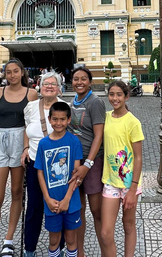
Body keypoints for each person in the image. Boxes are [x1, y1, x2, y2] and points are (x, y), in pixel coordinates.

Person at [0, 58, 38, 257]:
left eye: (16, 71)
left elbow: (33, 122)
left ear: (22, 72)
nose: (12, 75)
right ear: (4, 74)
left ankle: (8, 240)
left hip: (20, 142)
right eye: (9, 72)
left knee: (17, 193)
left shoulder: (31, 93)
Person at [98, 80, 143, 257]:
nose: (115, 98)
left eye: (119, 95)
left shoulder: (133, 122)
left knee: (128, 224)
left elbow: (138, 157)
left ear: (126, 97)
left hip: (129, 183)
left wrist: (133, 189)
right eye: (111, 94)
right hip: (110, 181)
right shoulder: (106, 118)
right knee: (106, 232)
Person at [21, 72, 64, 257]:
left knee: (57, 207)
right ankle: (29, 248)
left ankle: (58, 248)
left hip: (57, 167)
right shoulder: (30, 107)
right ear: (39, 85)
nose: (49, 86)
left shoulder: (65, 107)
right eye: (45, 83)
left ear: (59, 88)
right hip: (34, 164)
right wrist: (25, 148)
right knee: (34, 208)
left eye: (53, 84)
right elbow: (27, 129)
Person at [35, 101, 83, 257]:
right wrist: (47, 198)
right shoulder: (43, 144)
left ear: (69, 120)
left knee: (71, 240)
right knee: (54, 241)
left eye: (62, 119)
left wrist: (67, 199)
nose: (58, 123)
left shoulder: (74, 141)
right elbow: (40, 172)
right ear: (49, 119)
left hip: (71, 201)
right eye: (55, 119)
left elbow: (76, 174)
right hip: (51, 202)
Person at [67, 66, 106, 257]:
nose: (79, 82)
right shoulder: (72, 102)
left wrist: (88, 165)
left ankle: (105, 251)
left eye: (83, 79)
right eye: (76, 79)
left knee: (97, 211)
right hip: (75, 161)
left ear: (90, 82)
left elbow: (99, 136)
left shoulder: (95, 102)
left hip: (92, 161)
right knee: (78, 210)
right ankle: (79, 252)